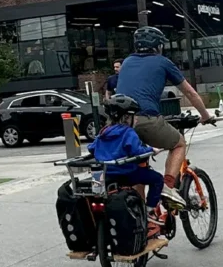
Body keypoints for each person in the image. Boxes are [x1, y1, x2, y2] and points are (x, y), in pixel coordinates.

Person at [116, 26, 214, 207]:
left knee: (138, 164)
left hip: (119, 124)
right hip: (146, 119)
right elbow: (191, 94)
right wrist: (205, 116)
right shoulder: (163, 62)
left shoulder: (127, 61)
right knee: (178, 144)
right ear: (158, 46)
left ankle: (144, 217)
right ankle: (167, 187)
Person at [88, 95, 166, 243]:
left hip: (104, 176)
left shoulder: (103, 132)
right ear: (126, 117)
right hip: (126, 174)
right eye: (134, 116)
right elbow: (137, 151)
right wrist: (151, 150)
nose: (136, 120)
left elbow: (91, 148)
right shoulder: (128, 132)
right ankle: (150, 212)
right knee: (157, 179)